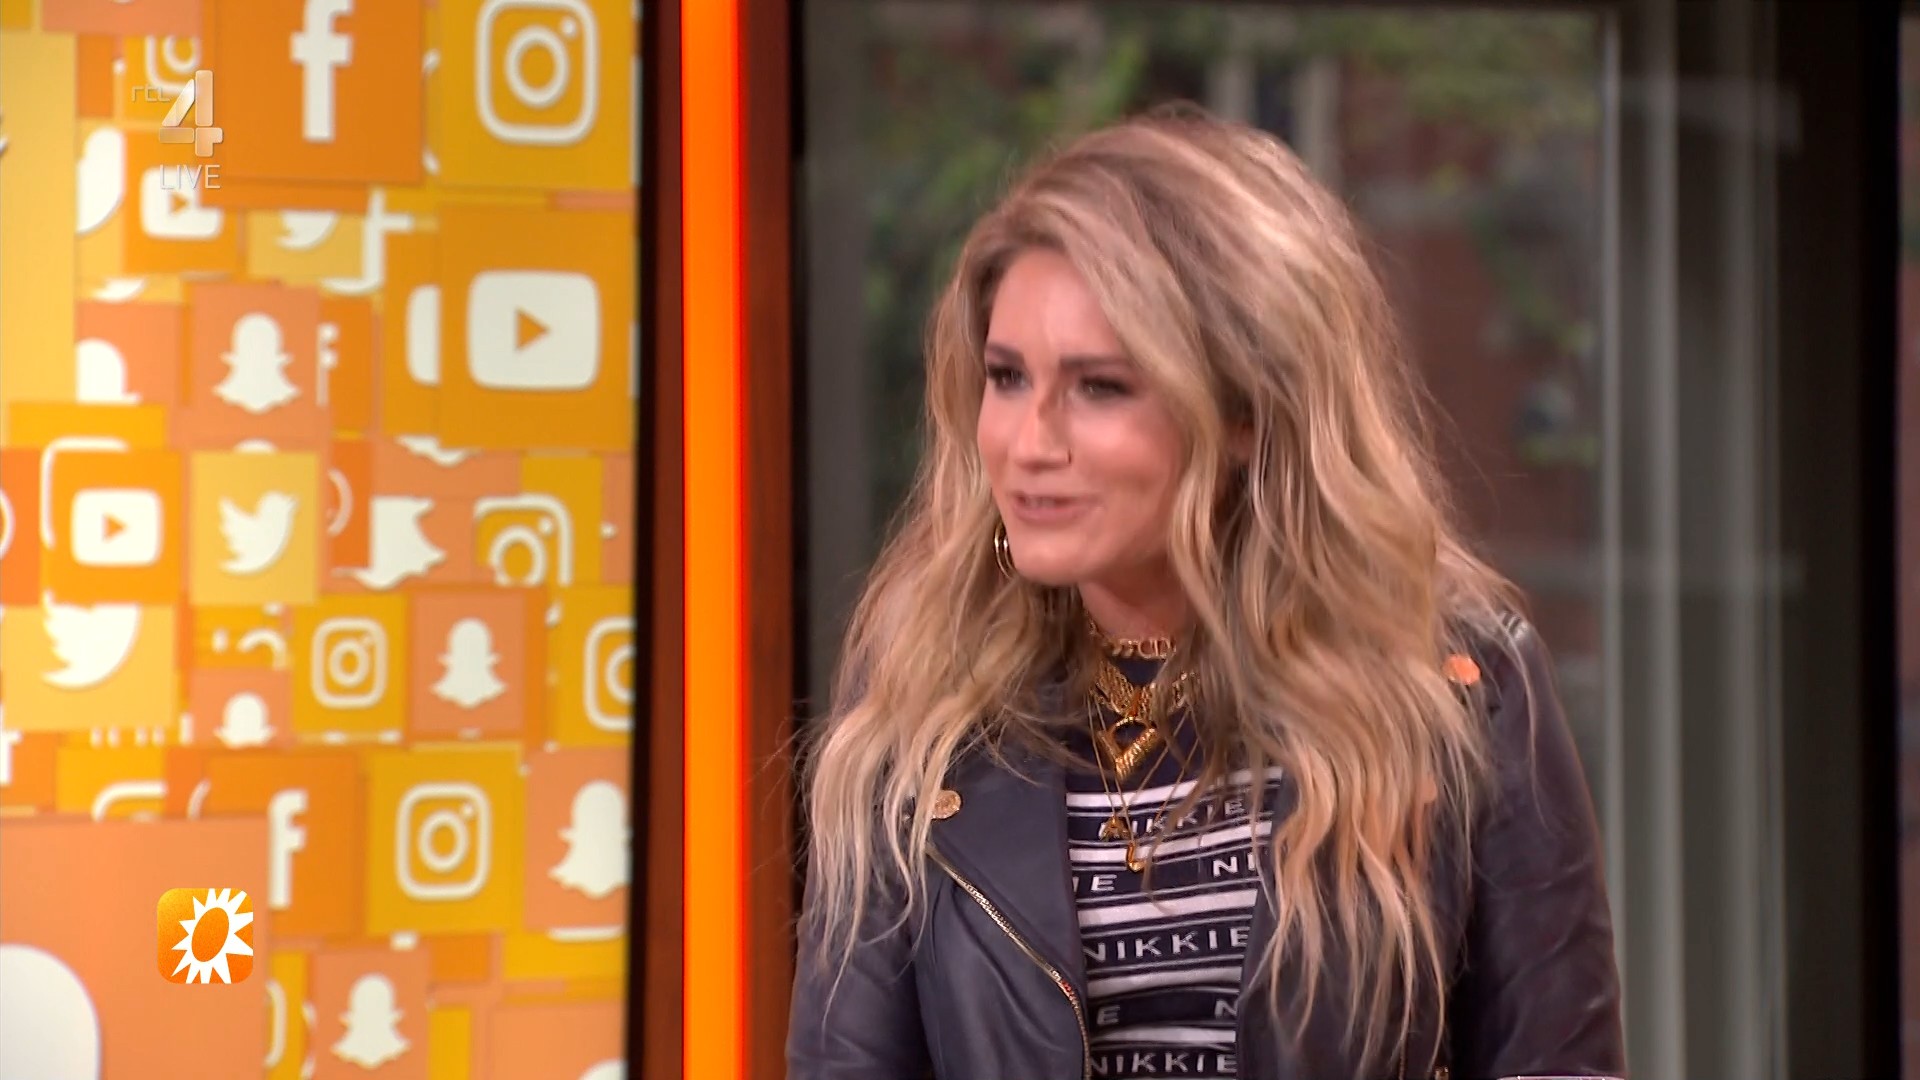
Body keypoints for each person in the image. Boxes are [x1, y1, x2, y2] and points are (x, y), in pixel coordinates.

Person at [787, 105, 1624, 1080]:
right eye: (1007, 378)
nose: (1027, 443)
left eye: (1099, 387)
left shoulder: (1459, 688)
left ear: (1242, 413)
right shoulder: (925, 704)